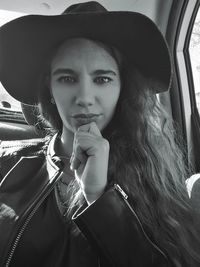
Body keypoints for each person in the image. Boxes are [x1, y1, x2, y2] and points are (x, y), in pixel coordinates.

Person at [0, 1, 200, 267]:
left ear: (122, 88)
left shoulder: (155, 177)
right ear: (49, 87)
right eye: (67, 78)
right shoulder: (8, 165)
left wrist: (99, 196)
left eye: (102, 79)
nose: (84, 98)